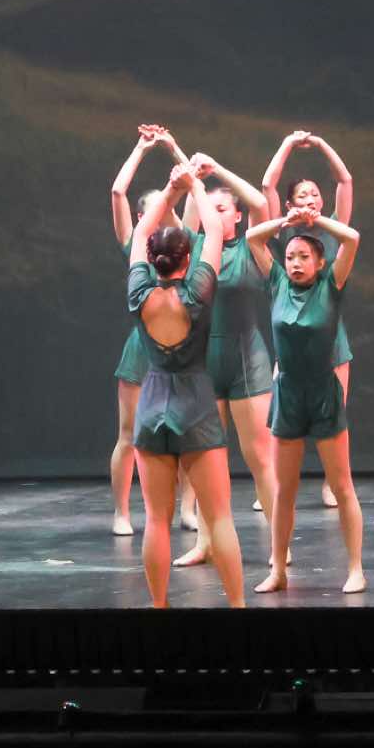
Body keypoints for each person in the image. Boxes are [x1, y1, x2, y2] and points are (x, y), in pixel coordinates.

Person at [128, 163, 246, 607]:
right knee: (219, 518)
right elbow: (214, 229)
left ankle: (160, 607)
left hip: (152, 403)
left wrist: (169, 190)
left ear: (154, 259)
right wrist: (193, 184)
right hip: (195, 403)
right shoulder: (197, 292)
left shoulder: (139, 292)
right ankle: (238, 606)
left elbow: (141, 231)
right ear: (186, 258)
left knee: (156, 520)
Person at [245, 202, 365, 593]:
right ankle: (278, 569)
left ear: (320, 262)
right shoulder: (277, 282)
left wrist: (315, 220)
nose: (295, 263)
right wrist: (286, 221)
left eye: (304, 257)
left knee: (342, 485)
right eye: (291, 256)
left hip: (323, 393)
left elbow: (352, 238)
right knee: (284, 491)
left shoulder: (331, 285)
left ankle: (355, 568)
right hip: (289, 394)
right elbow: (252, 238)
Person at [262, 129, 353, 507]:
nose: (311, 200)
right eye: (302, 195)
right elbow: (267, 186)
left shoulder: (332, 228)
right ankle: (278, 483)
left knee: (334, 410)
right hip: (292, 330)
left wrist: (320, 144)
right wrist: (286, 144)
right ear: (289, 204)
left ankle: (333, 483)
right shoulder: (282, 235)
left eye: (315, 194)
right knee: (284, 411)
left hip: (328, 330)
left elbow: (345, 181)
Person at [108, 124, 189, 535]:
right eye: (155, 209)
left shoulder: (183, 247)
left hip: (181, 349)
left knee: (186, 432)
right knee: (129, 434)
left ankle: (187, 508)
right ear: (143, 218)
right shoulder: (136, 247)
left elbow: (188, 195)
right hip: (142, 350)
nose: (164, 212)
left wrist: (173, 152)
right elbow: (117, 192)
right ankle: (122, 512)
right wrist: (141, 149)